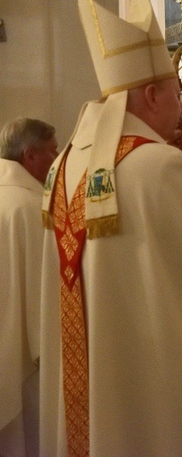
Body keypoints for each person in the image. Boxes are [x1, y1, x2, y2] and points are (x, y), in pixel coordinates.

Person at [38, 0, 182, 455]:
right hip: (143, 384)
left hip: (88, 381)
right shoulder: (158, 166)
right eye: (178, 96)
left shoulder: (62, 166)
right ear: (153, 94)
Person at [0, 117, 58, 457]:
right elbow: (43, 294)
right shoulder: (31, 208)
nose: (57, 158)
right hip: (24, 355)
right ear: (30, 156)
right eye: (52, 151)